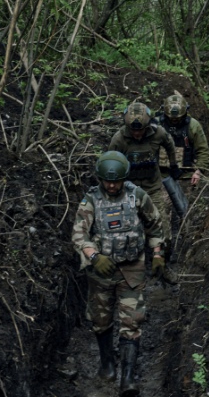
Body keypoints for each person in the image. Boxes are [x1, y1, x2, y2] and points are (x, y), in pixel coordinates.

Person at [71, 151, 165, 397]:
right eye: (107, 181)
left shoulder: (138, 196)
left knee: (132, 320)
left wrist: (157, 254)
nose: (111, 186)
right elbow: (79, 234)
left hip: (132, 268)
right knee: (100, 320)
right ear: (99, 178)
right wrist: (94, 256)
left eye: (116, 181)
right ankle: (107, 363)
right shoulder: (91, 200)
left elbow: (155, 225)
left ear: (124, 178)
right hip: (101, 272)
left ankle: (128, 377)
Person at [109, 102, 181, 281]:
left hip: (152, 188)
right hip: (128, 191)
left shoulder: (158, 133)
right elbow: (110, 165)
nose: (137, 134)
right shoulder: (119, 139)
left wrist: (173, 164)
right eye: (133, 130)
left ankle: (162, 265)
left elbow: (170, 144)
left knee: (164, 233)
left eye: (140, 130)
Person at [158, 93, 209, 188]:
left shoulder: (193, 126)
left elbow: (203, 151)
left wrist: (198, 171)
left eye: (178, 119)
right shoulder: (157, 125)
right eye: (171, 119)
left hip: (186, 175)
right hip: (160, 174)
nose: (174, 121)